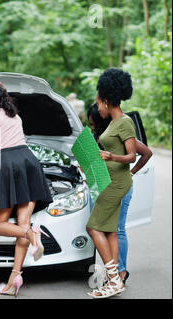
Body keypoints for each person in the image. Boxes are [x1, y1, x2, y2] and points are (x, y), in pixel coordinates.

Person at [0, 78, 53, 296]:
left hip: (7, 164)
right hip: (28, 162)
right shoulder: (14, 115)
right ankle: (14, 279)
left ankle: (31, 233)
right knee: (23, 221)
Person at [87, 103, 152, 285]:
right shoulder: (96, 136)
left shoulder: (117, 131)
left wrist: (131, 172)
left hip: (118, 186)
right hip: (101, 185)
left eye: (94, 124)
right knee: (106, 230)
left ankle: (120, 272)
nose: (92, 128)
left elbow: (146, 153)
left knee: (116, 229)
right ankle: (113, 272)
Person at [86, 68, 137, 299]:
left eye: (98, 103)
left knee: (93, 227)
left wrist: (110, 157)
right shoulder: (114, 123)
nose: (97, 108)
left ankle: (114, 279)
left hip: (117, 183)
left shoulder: (124, 122)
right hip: (111, 180)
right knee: (111, 232)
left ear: (106, 101)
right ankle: (114, 280)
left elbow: (131, 156)